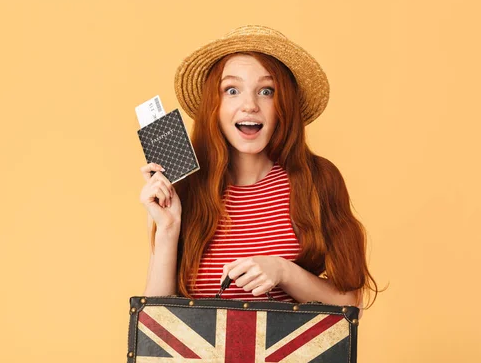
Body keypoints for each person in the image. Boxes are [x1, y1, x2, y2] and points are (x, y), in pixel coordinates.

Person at [139, 25, 378, 310]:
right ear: (214, 106)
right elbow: (154, 321)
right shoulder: (182, 191)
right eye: (232, 90)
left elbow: (351, 304)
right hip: (200, 356)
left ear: (283, 106)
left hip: (288, 356)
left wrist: (283, 272)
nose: (249, 105)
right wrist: (167, 228)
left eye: (266, 91)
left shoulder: (318, 180)